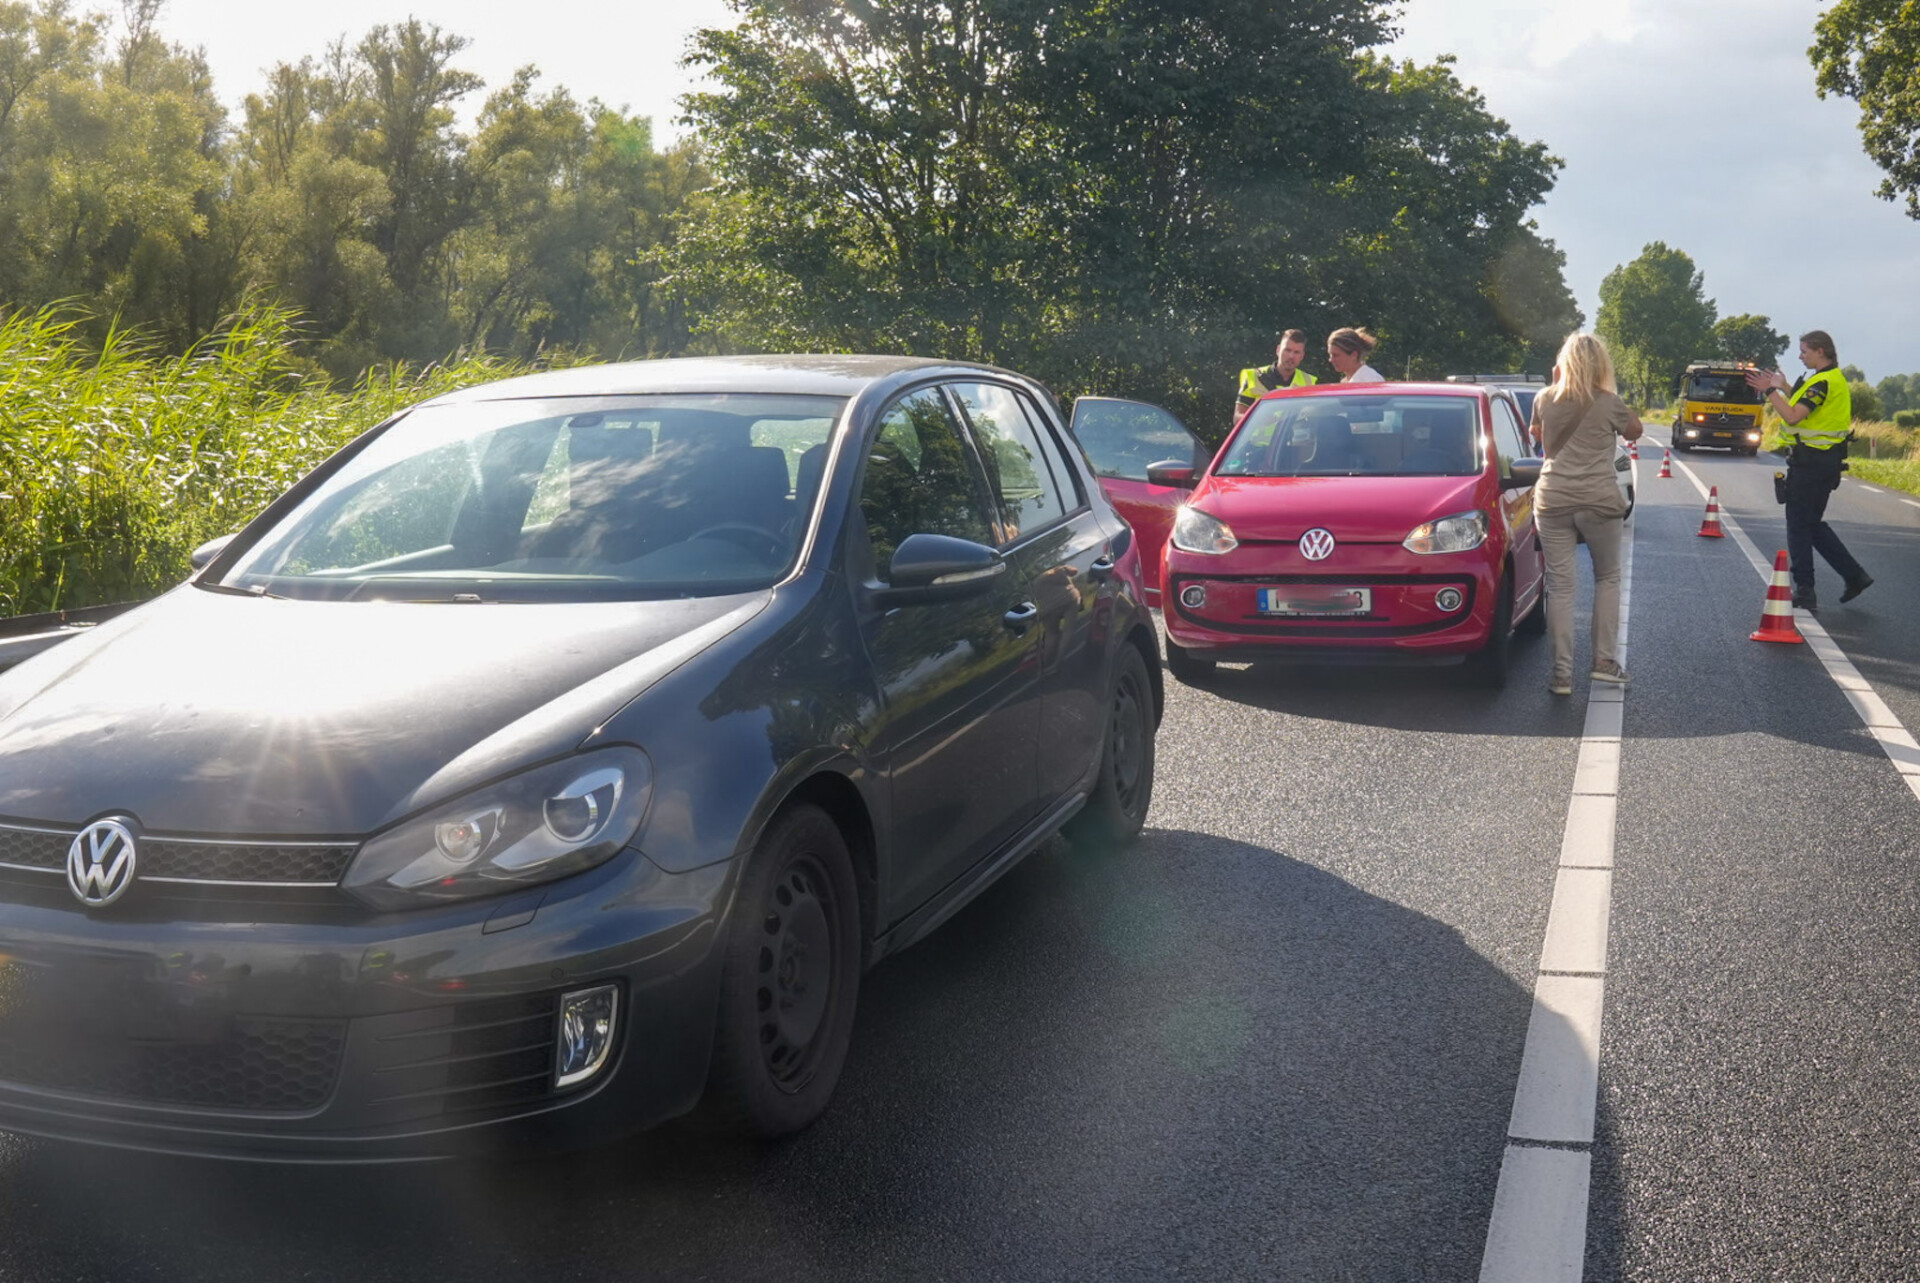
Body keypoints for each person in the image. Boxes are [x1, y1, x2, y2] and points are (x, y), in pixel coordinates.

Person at [1531, 332, 1642, 695]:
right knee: (1607, 578)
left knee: (1561, 586)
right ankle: (1604, 663)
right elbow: (1635, 431)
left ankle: (1561, 675)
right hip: (1599, 501)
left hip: (1552, 500)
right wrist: (1615, 398)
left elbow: (1537, 436)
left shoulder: (1544, 397)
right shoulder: (1609, 402)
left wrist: (1556, 382)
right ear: (1600, 365)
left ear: (1564, 362)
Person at [1745, 331, 1871, 611]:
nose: (1800, 356)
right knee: (1811, 523)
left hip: (1811, 463)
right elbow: (1808, 406)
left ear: (1820, 351)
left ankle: (1805, 591)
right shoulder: (1829, 379)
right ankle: (1854, 575)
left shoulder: (1822, 382)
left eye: (1804, 351)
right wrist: (1784, 386)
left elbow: (1793, 415)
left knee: (1798, 526)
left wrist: (1769, 391)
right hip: (1825, 462)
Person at [1233, 329, 1317, 423]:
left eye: (1296, 352)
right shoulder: (1254, 377)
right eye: (1287, 350)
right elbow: (1237, 418)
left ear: (1302, 356)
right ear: (1278, 350)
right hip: (1259, 433)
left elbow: (1314, 420)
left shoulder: (1310, 383)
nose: (1291, 356)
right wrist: (1259, 419)